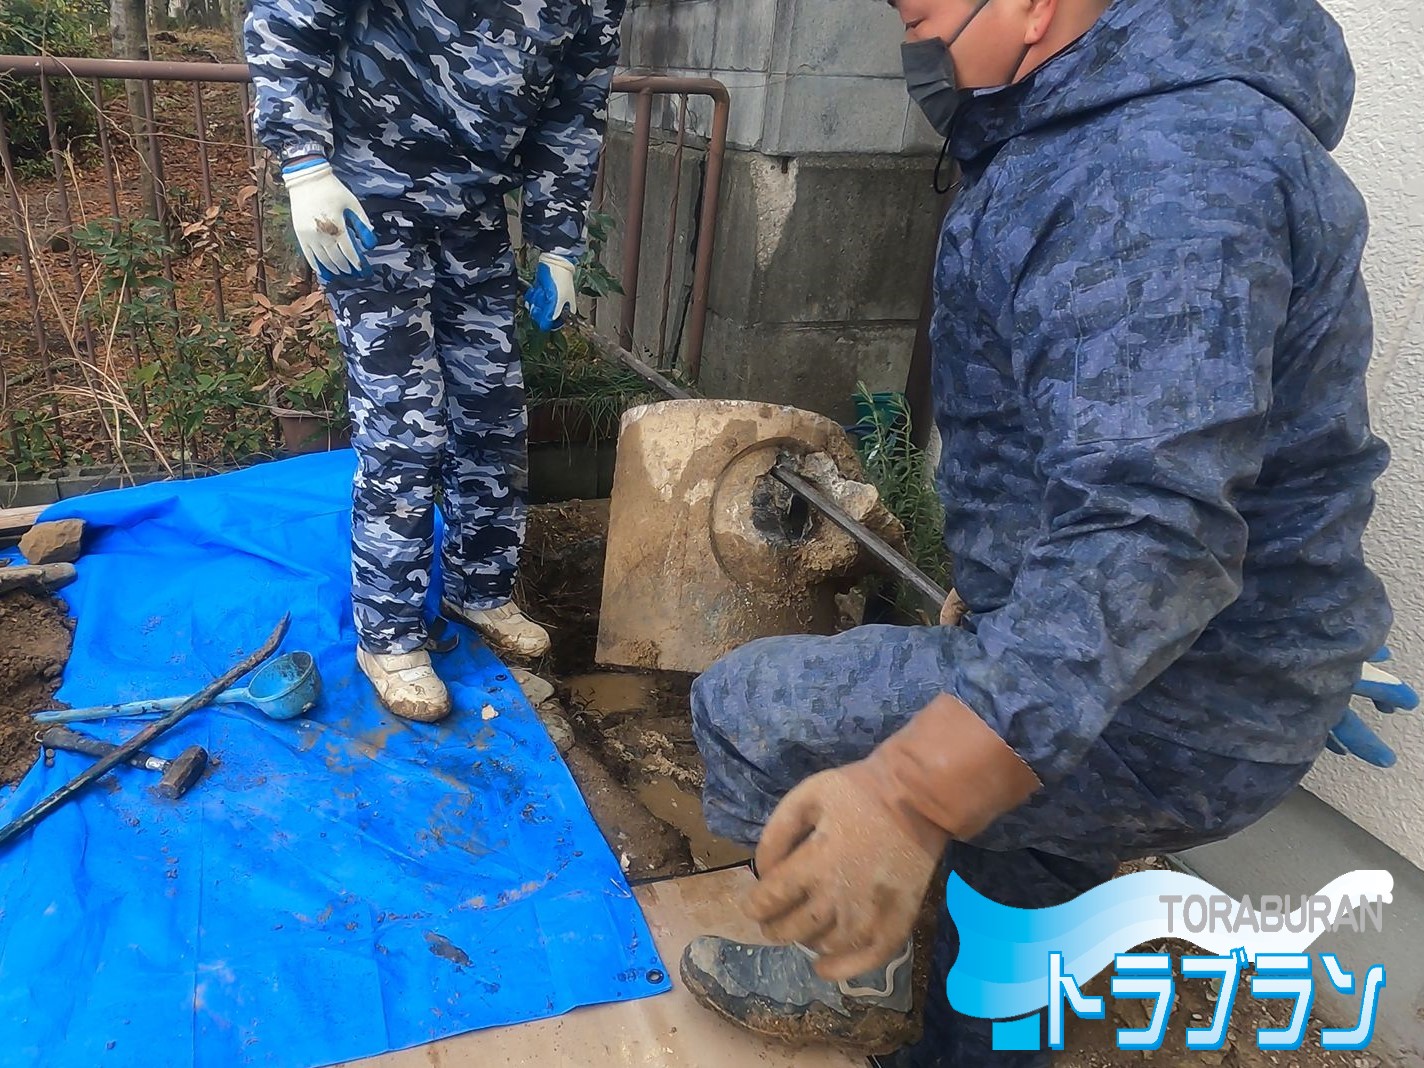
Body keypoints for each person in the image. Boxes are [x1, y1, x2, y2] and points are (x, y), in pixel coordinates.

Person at [679, 0, 1418, 1063]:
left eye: (924, 14)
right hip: (1198, 666)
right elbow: (1232, 452)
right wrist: (1293, 634)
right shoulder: (1144, 128)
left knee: (751, 707)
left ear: (1031, 8)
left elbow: (1149, 526)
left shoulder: (1154, 168)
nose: (913, 46)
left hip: (1173, 700)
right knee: (1012, 885)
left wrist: (906, 788)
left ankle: (841, 971)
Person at [245, 0, 624, 721]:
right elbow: (289, 18)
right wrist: (303, 163)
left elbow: (574, 110)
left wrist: (558, 242)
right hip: (363, 199)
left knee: (493, 413)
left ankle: (478, 588)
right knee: (406, 424)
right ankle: (388, 636)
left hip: (473, 211)